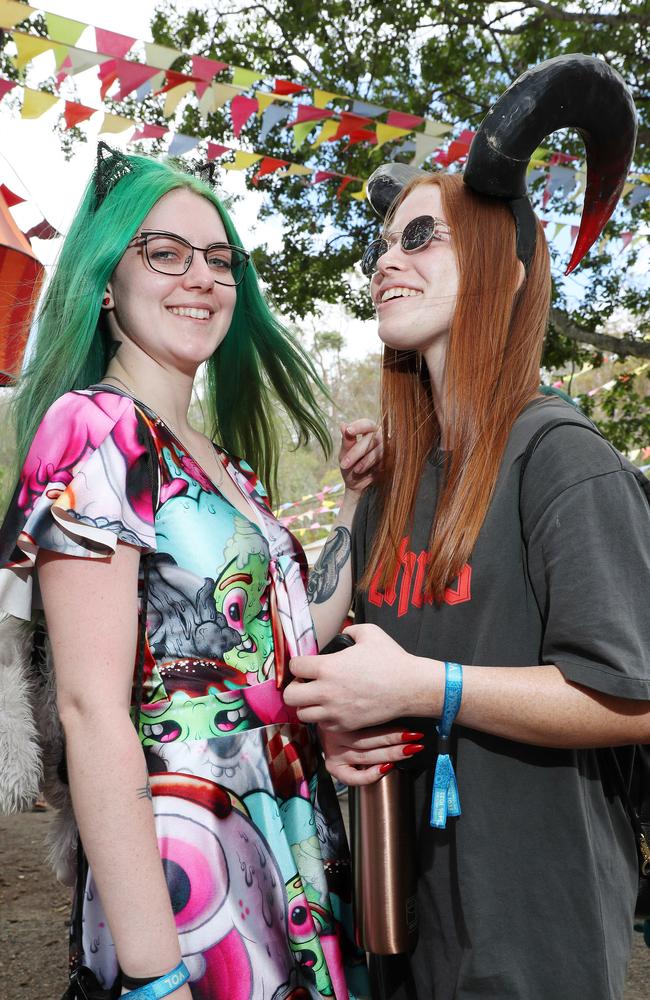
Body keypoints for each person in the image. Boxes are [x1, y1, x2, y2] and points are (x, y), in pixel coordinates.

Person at [284, 56, 650, 1000]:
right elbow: (306, 648)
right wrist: (344, 725)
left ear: (502, 265)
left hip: (535, 939)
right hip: (402, 929)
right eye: (382, 246)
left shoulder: (561, 459)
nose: (383, 263)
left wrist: (427, 685)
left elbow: (632, 698)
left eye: (420, 240)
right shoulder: (391, 482)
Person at [0, 143, 376, 999]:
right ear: (105, 280)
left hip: (287, 837)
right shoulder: (96, 427)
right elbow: (90, 707)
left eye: (219, 260)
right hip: (183, 863)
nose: (198, 278)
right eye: (164, 253)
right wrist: (154, 970)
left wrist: (355, 503)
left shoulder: (230, 469)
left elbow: (287, 645)